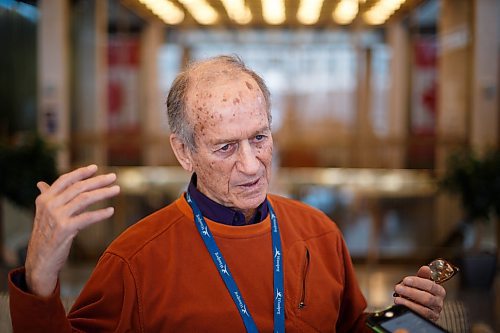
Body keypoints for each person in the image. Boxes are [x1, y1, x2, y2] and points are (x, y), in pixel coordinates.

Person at [9, 55, 446, 332]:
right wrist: (39, 280)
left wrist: (406, 323)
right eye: (225, 147)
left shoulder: (319, 233)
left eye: (259, 137)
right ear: (183, 151)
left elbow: (349, 328)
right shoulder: (135, 259)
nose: (252, 165)